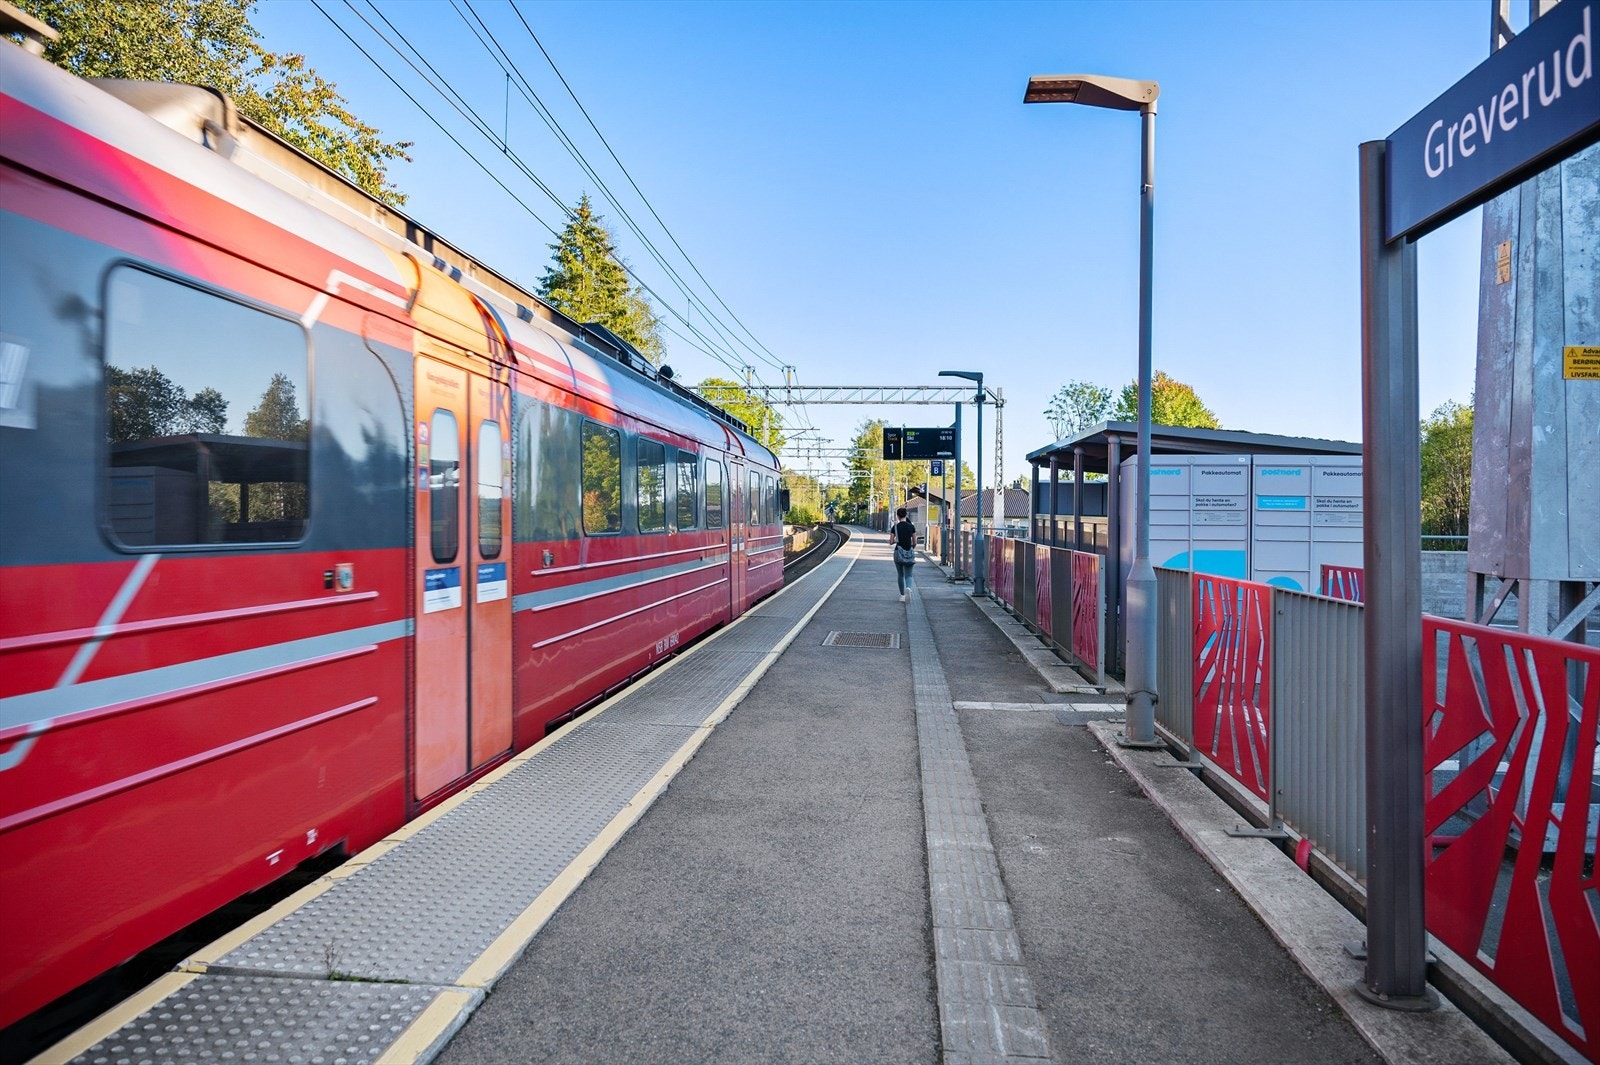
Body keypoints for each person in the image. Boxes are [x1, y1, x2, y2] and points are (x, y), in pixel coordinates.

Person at [891, 507, 917, 602]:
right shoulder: (911, 527)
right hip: (909, 551)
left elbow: (891, 541)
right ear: (906, 515)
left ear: (898, 516)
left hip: (898, 552)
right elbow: (914, 542)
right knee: (909, 575)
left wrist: (896, 540)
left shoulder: (895, 527)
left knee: (900, 574)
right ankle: (909, 588)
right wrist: (910, 549)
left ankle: (902, 596)